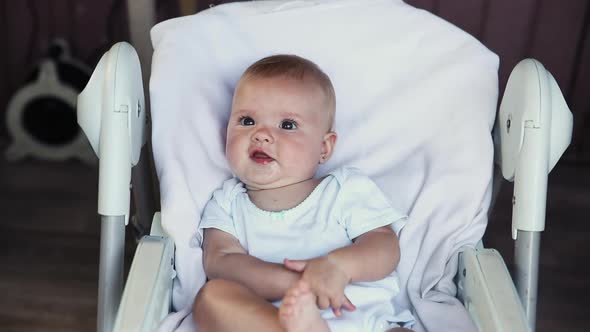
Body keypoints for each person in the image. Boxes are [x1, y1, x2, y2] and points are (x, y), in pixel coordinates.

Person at [192, 54, 413, 332]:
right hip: (275, 320)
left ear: (324, 148)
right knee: (211, 298)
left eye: (287, 125)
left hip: (361, 319)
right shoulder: (227, 202)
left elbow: (385, 246)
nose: (261, 134)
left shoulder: (344, 189)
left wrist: (339, 267)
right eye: (247, 121)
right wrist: (298, 282)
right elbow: (220, 261)